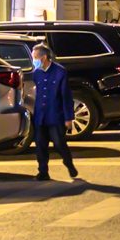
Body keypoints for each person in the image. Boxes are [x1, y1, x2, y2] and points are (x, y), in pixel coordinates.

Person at [28, 41, 79, 183]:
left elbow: (66, 96)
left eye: (35, 58)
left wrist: (68, 118)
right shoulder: (36, 73)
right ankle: (43, 171)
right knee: (40, 145)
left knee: (59, 144)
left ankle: (69, 164)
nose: (34, 61)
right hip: (40, 115)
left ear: (43, 58)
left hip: (55, 115)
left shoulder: (59, 72)